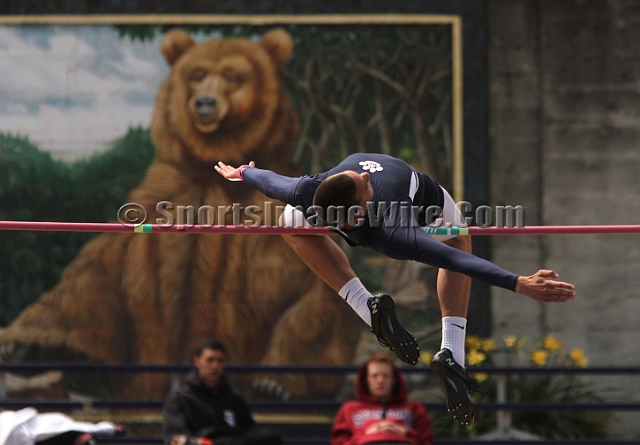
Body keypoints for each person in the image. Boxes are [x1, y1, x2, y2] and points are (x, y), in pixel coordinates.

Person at [214, 153, 576, 425]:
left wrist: (241, 172)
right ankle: (452, 351)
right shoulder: (392, 230)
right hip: (416, 212)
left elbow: (267, 179)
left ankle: (366, 305)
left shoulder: (310, 191)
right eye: (362, 182)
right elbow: (460, 262)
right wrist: (520, 283)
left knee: (288, 221)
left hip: (393, 210)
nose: (363, 174)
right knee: (459, 240)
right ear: (360, 206)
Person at [161, 339, 282, 445]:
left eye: (220, 361)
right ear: (197, 361)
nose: (215, 366)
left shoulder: (234, 398)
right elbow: (177, 439)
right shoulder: (180, 399)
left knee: (272, 436)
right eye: (210, 360)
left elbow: (249, 430)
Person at [330, 352, 433, 445]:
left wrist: (405, 433)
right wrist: (365, 435)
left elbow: (426, 442)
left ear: (394, 379)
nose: (380, 380)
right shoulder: (349, 409)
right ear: (366, 380)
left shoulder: (415, 409)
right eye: (375, 376)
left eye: (385, 375)